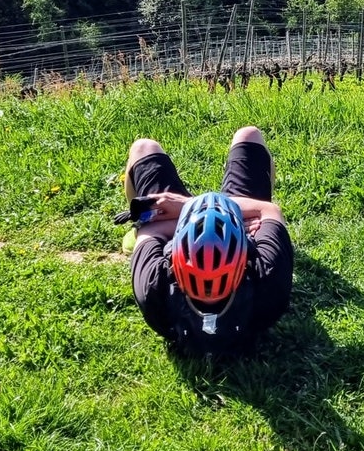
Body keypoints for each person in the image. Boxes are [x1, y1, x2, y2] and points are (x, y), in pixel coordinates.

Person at [118, 126, 293, 356]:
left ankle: (200, 214)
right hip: (232, 217)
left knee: (144, 148)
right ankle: (214, 213)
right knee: (249, 136)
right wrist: (217, 213)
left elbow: (148, 226)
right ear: (244, 260)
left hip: (198, 220)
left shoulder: (154, 287)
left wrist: (185, 208)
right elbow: (270, 210)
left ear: (174, 261)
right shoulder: (268, 283)